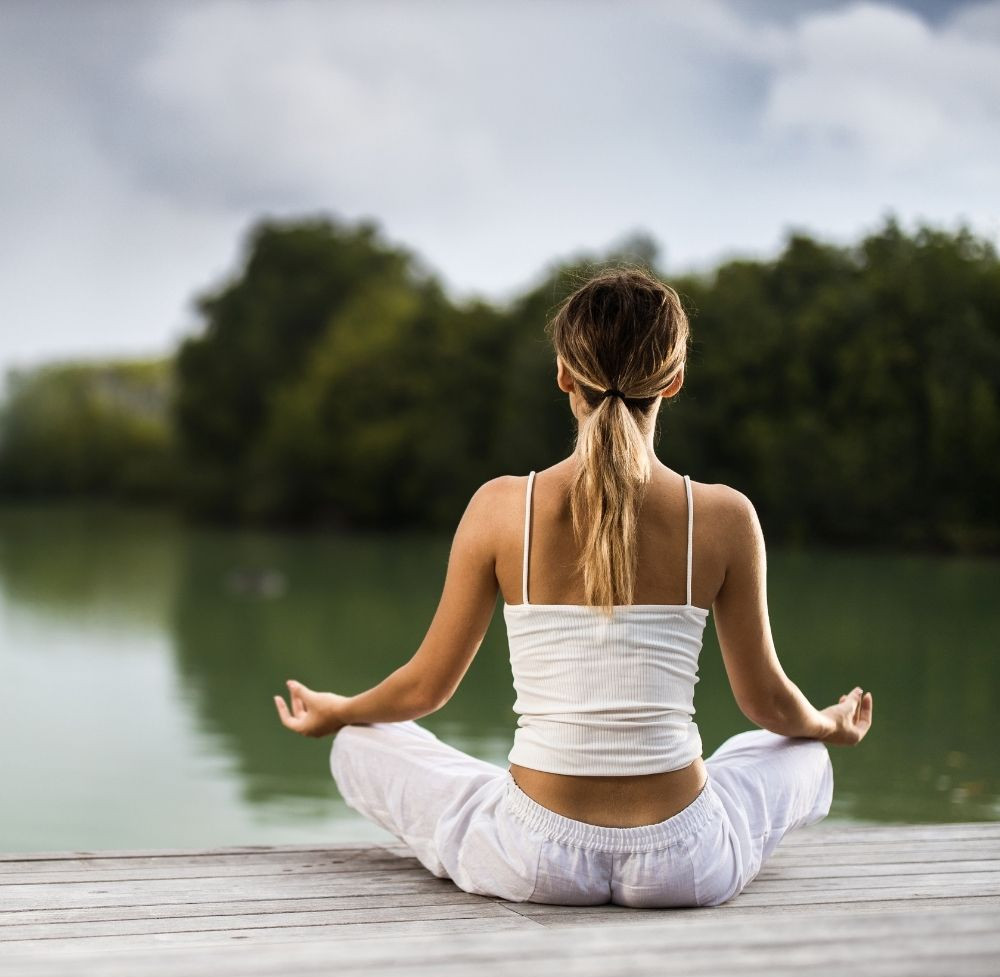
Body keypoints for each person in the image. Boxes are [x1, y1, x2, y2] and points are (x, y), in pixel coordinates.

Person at [273, 266, 873, 908]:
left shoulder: (501, 508)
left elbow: (425, 690)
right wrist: (828, 725)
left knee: (363, 741)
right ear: (674, 380)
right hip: (684, 861)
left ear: (563, 374)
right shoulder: (726, 517)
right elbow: (767, 704)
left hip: (532, 853)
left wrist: (340, 711)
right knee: (799, 753)